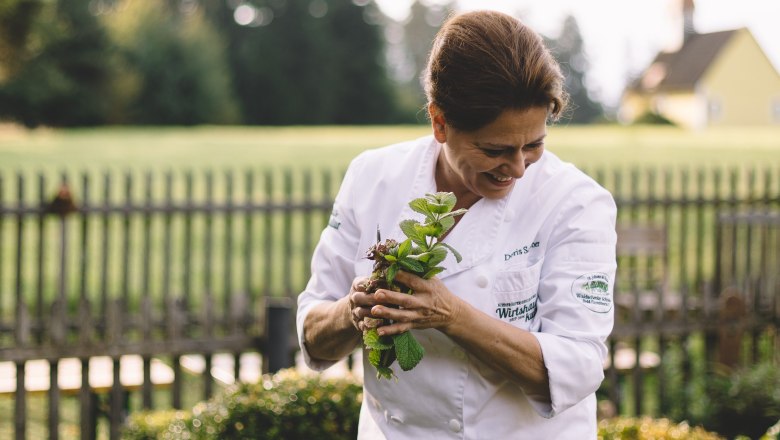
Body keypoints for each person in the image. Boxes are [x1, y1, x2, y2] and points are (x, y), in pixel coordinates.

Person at [296, 9, 616, 439]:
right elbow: (314, 335)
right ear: (440, 122)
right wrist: (350, 312)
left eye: (535, 145)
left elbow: (577, 368)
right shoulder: (372, 177)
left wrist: (450, 315)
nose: (518, 168)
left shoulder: (575, 202)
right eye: (495, 149)